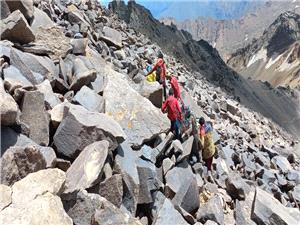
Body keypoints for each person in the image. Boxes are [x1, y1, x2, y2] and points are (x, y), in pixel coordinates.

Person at [199, 117, 215, 182]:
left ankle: (209, 174)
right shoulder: (209, 126)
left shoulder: (202, 131)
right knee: (210, 161)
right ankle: (209, 171)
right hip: (212, 148)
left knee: (207, 161)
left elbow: (202, 144)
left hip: (207, 151)